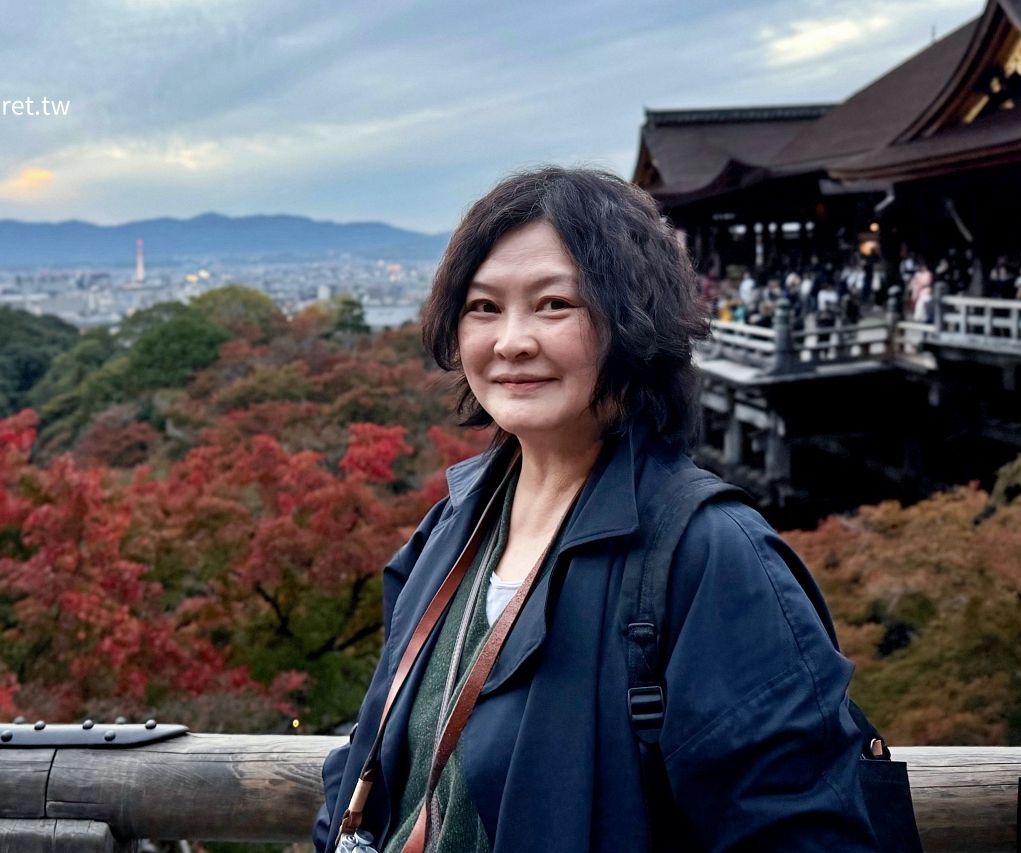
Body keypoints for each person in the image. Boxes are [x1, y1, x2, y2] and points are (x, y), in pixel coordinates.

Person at [313, 167, 879, 852]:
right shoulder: (451, 530)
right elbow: (369, 755)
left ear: (634, 318)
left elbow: (798, 828)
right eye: (483, 307)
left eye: (554, 304)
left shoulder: (709, 554)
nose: (511, 341)